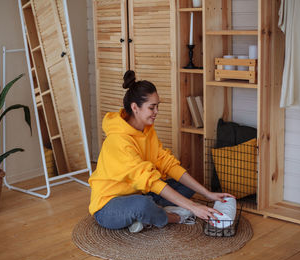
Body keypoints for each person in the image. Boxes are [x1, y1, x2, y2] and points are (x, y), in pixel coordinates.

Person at [88, 70, 234, 233]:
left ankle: (146, 217)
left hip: (139, 192)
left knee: (186, 185)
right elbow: (150, 181)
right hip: (108, 206)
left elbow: (166, 162)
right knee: (142, 205)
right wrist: (194, 208)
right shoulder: (118, 141)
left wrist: (207, 193)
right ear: (135, 107)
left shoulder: (147, 130)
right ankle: (175, 217)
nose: (157, 112)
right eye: (152, 107)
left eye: (157, 106)